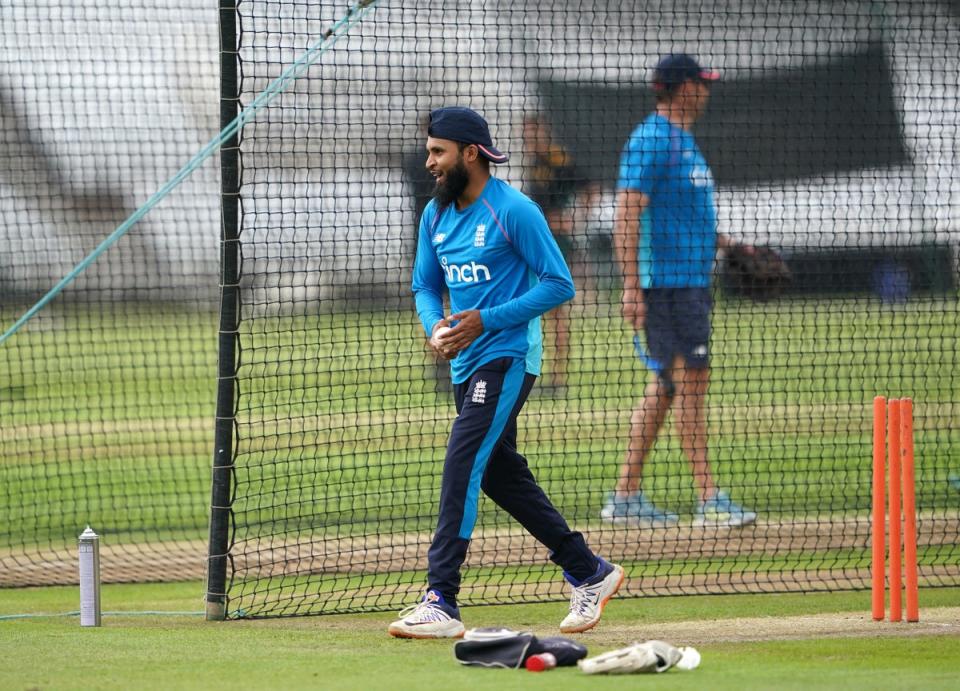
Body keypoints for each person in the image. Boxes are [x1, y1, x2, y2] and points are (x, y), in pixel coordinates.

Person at [389, 106, 623, 639]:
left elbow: (559, 283)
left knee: (462, 461)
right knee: (498, 473)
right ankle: (589, 570)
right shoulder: (436, 215)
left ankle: (440, 599)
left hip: (510, 356)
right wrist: (436, 330)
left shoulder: (514, 210)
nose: (428, 162)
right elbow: (425, 285)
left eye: (437, 152)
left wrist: (484, 321)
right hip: (466, 361)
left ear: (469, 154)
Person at [604, 54, 757, 528]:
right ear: (681, 87)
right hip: (664, 286)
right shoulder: (652, 139)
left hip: (688, 283)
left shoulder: (681, 140)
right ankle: (709, 498)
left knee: (671, 386)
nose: (707, 90)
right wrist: (631, 286)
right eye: (701, 82)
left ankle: (625, 496)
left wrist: (732, 246)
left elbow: (685, 218)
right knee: (688, 381)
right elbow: (627, 212)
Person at [521, 115, 596, 392]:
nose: (529, 138)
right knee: (533, 311)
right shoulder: (533, 163)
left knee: (555, 313)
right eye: (526, 134)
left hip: (555, 244)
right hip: (535, 243)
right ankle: (539, 373)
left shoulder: (558, 160)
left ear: (545, 132)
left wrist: (573, 218)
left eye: (533, 132)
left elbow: (590, 189)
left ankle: (558, 377)